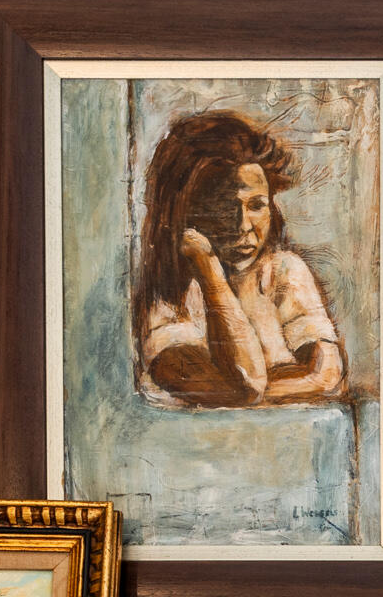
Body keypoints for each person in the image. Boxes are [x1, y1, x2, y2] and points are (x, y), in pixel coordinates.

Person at [136, 111, 345, 408]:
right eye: (223, 206)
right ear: (189, 211)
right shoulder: (169, 294)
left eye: (257, 205)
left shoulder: (283, 271)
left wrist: (251, 393)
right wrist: (211, 276)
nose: (243, 226)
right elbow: (245, 382)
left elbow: (326, 373)